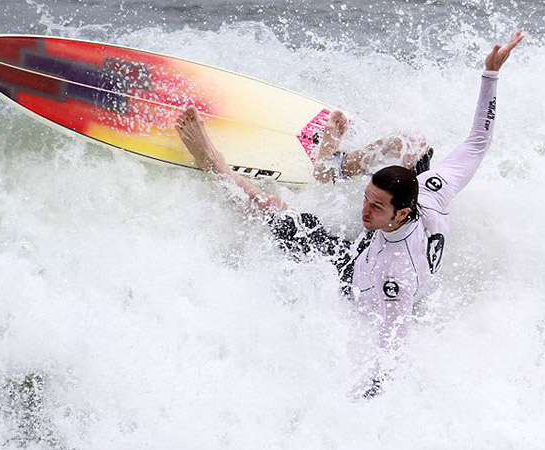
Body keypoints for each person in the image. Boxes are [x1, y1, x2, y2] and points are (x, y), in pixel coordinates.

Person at [176, 30, 524, 399]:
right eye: (366, 198)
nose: (364, 210)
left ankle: (213, 165)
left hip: (355, 274)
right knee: (414, 142)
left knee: (281, 215)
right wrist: (491, 74)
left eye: (376, 206)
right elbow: (477, 142)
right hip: (391, 237)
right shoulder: (435, 188)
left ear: (403, 211)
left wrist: (365, 405)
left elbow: (392, 346)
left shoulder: (396, 276)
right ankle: (332, 165)